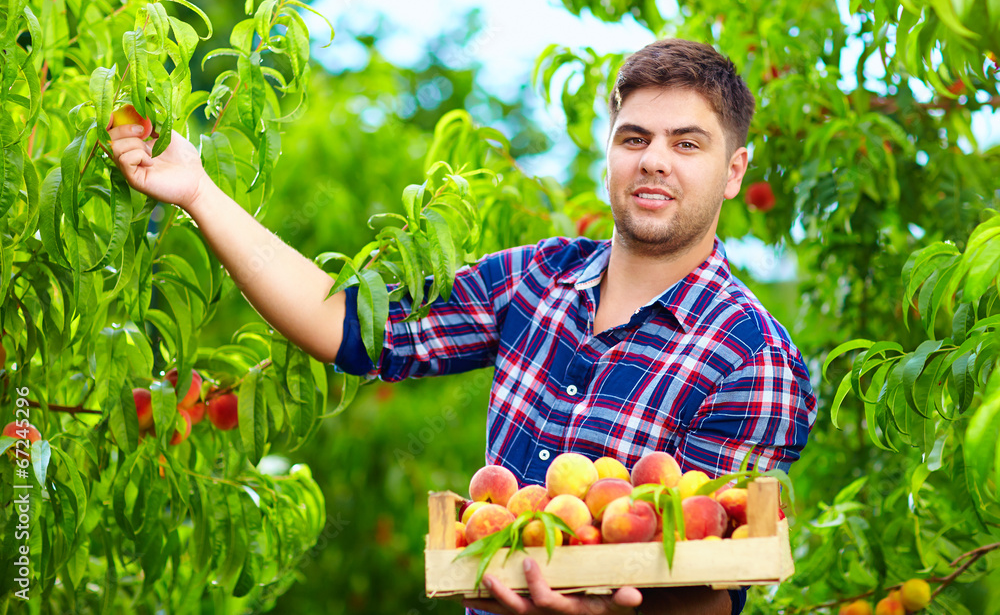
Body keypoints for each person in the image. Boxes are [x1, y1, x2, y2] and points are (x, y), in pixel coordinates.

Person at [110, 38, 816, 615]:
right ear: (609, 152)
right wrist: (199, 191)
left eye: (687, 144)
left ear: (734, 171)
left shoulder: (753, 356)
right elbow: (349, 325)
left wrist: (600, 607)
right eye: (634, 137)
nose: (654, 159)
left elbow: (719, 578)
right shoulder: (535, 280)